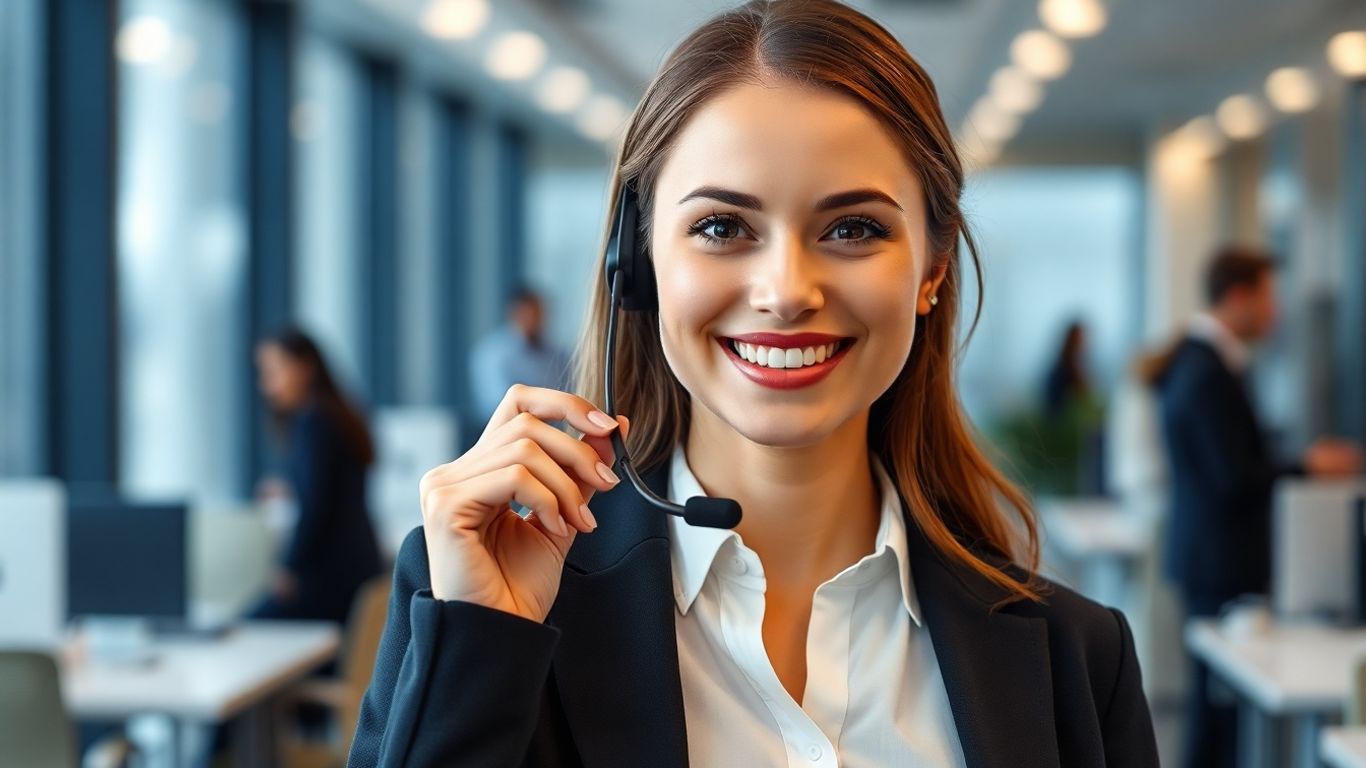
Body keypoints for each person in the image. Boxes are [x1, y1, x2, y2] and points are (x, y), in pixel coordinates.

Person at [351, 2, 1159, 766]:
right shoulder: (479, 607)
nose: (785, 290)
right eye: (721, 227)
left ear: (932, 270)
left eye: (853, 228)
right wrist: (479, 651)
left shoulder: (1077, 661)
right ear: (639, 265)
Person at [1155, 246, 1361, 768]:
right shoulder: (1205, 370)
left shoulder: (1204, 361)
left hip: (1210, 559)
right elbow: (1233, 478)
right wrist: (1309, 466)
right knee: (1215, 719)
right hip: (1218, 564)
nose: (1277, 313)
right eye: (1270, 298)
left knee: (1218, 715)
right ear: (1240, 297)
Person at [254, 327, 383, 625]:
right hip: (357, 568)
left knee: (247, 628)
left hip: (329, 577)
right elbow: (331, 487)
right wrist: (289, 488)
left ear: (304, 368)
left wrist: (289, 568)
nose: (266, 385)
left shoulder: (313, 422)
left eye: (274, 371)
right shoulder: (336, 416)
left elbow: (316, 509)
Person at [469, 286, 573, 426]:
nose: (537, 320)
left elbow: (571, 394)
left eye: (540, 313)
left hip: (555, 430)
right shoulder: (493, 353)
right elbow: (498, 406)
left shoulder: (558, 353)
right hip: (508, 433)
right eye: (530, 314)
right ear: (515, 314)